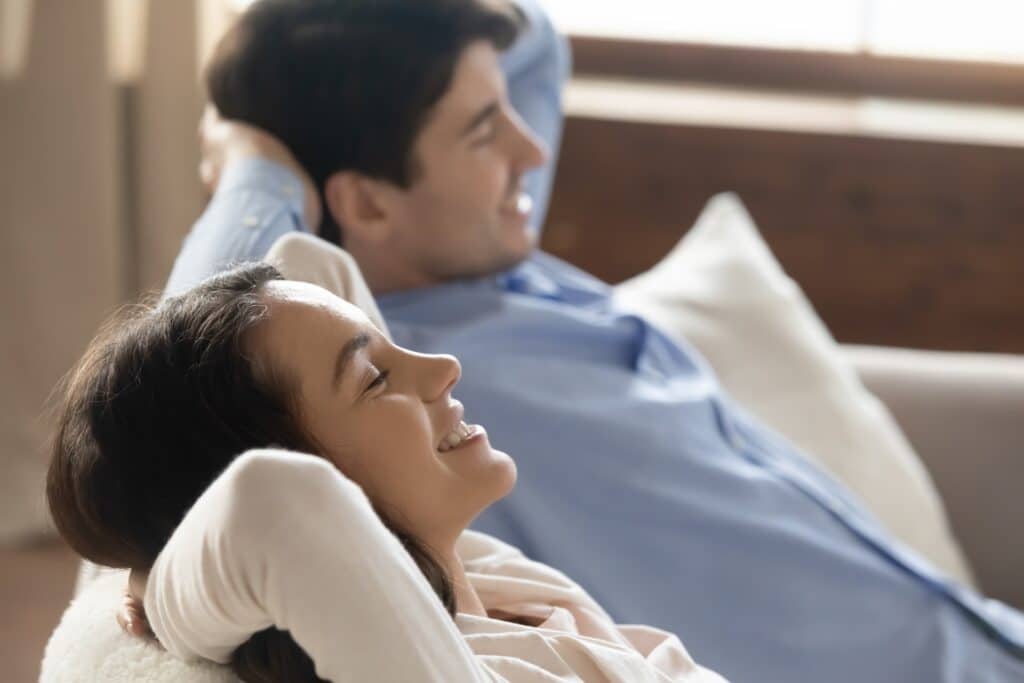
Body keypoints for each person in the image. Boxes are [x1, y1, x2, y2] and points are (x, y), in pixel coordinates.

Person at [156, 0, 1024, 680]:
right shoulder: (410, 379)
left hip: (985, 636)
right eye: (484, 131)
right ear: (368, 203)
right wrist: (250, 164)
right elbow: (185, 357)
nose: (531, 150)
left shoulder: (499, 261)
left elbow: (537, 45)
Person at [49, 254, 727, 682]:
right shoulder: (427, 665)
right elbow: (274, 504)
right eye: (376, 378)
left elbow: (313, 262)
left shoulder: (470, 566)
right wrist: (164, 594)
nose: (443, 369)